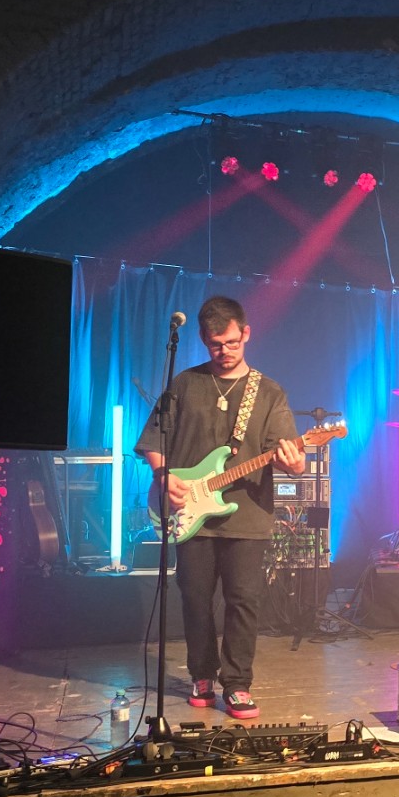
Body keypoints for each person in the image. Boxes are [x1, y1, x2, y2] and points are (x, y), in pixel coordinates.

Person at [136, 296, 305, 721]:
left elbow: (290, 456)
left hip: (248, 515)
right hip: (190, 513)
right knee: (194, 598)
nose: (224, 351)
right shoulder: (184, 384)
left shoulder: (268, 392)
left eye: (231, 342)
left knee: (243, 600)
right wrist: (163, 475)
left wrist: (294, 462)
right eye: (215, 344)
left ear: (246, 333)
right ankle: (201, 675)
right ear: (202, 338)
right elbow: (153, 440)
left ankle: (237, 683)